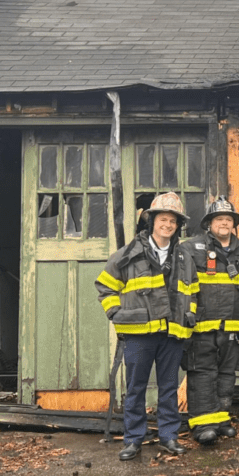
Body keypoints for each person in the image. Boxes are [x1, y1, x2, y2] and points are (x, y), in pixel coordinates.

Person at [95, 192, 197, 461]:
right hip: (139, 335)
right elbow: (105, 287)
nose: (168, 225)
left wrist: (189, 320)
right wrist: (117, 313)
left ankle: (169, 436)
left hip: (172, 334)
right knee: (136, 388)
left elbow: (193, 291)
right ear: (151, 221)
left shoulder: (184, 257)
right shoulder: (128, 254)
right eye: (163, 219)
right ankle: (133, 439)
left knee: (168, 388)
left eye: (173, 221)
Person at [184, 197, 239, 444]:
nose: (224, 223)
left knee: (227, 374)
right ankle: (202, 425)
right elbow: (183, 286)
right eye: (219, 219)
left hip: (232, 328)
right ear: (209, 223)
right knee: (203, 374)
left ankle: (221, 419)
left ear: (234, 224)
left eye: (228, 219)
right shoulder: (190, 248)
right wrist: (189, 315)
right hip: (202, 327)